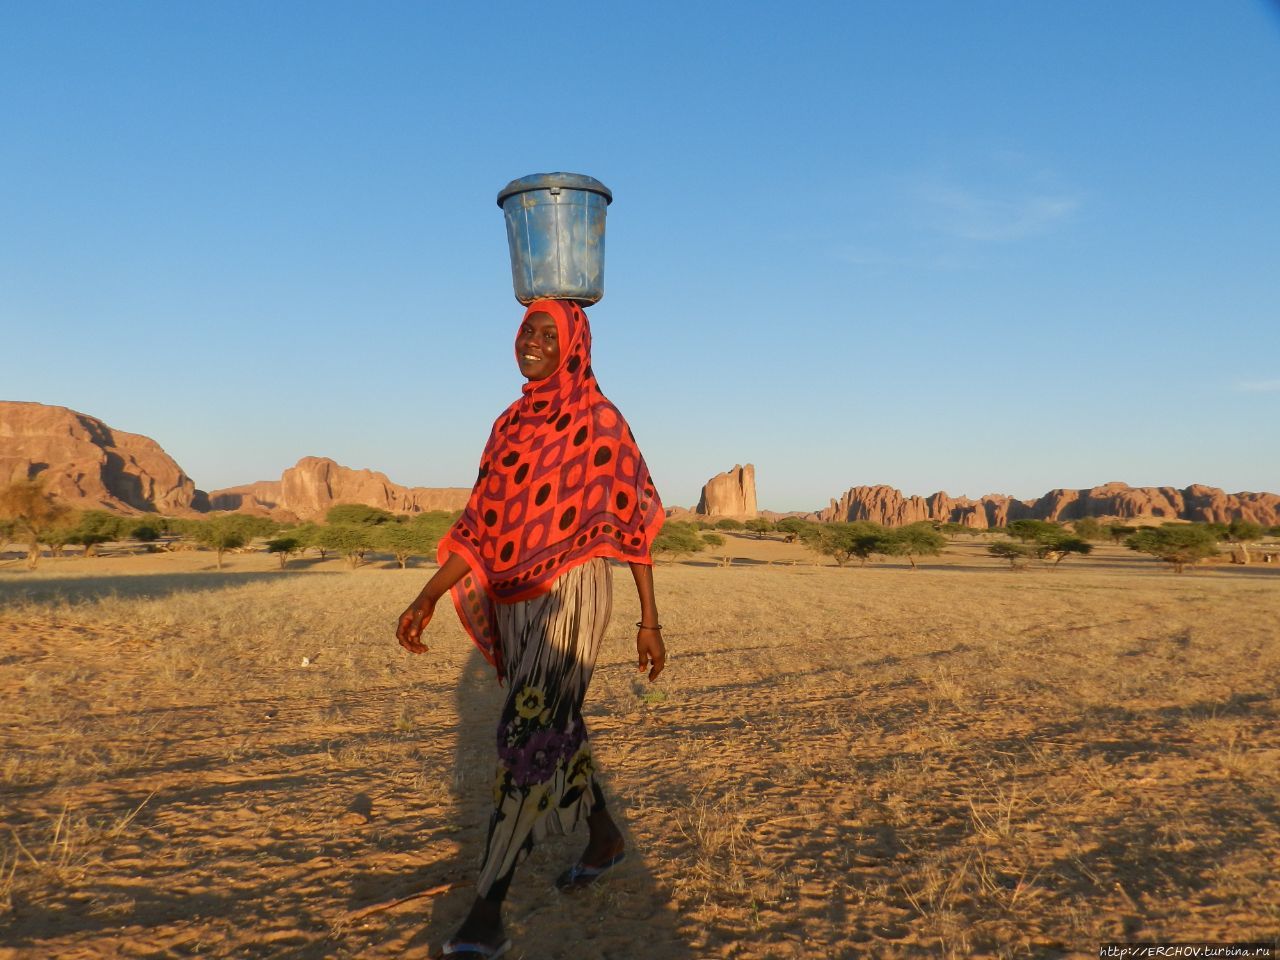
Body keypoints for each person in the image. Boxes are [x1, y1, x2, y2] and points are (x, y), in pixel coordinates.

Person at [396, 298, 666, 960]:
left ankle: (487, 908)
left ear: (575, 344)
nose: (535, 342)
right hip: (514, 602)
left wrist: (649, 620)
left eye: (550, 333)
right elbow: (481, 525)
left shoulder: (599, 419)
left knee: (525, 736)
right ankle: (603, 835)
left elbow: (632, 522)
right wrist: (427, 595)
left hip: (573, 597)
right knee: (555, 730)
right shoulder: (509, 425)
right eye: (528, 331)